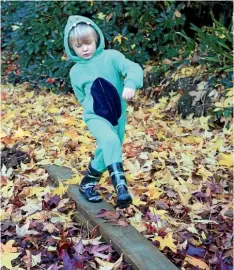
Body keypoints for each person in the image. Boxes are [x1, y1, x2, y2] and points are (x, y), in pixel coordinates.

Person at [64, 15, 143, 209]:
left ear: (96, 39)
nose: (85, 49)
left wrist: (131, 83)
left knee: (107, 148)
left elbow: (133, 68)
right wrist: (91, 109)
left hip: (117, 115)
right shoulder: (75, 72)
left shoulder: (112, 57)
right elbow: (82, 97)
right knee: (109, 141)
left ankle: (87, 184)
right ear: (71, 48)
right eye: (78, 46)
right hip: (94, 116)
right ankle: (121, 188)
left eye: (88, 43)